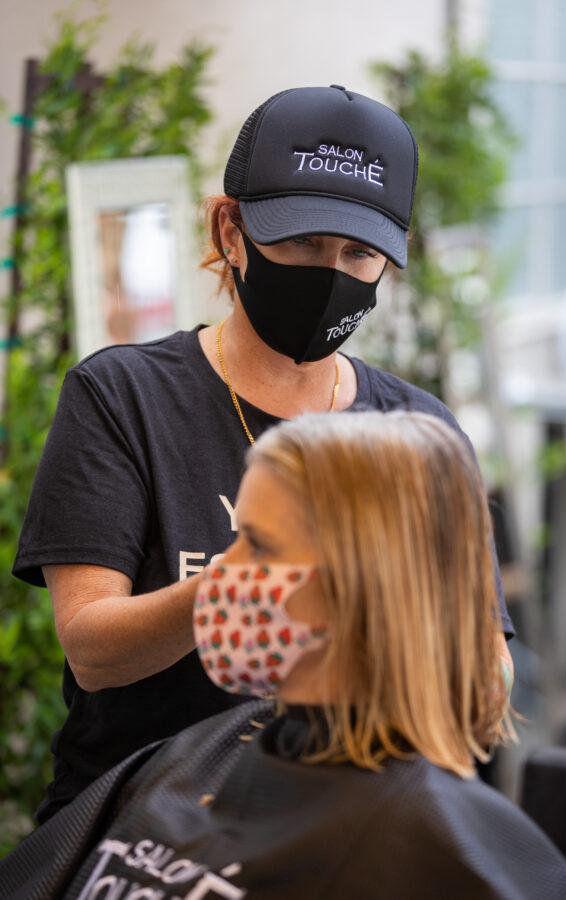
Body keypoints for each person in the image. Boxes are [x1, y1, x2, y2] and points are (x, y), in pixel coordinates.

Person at [13, 84, 514, 825]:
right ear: (231, 230)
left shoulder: (416, 430)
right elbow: (93, 649)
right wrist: (244, 581)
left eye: (359, 253)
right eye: (304, 243)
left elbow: (488, 681)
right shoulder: (123, 396)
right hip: (144, 821)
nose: (331, 273)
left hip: (335, 826)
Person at [0, 412, 566, 900]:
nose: (220, 574)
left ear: (363, 584)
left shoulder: (434, 844)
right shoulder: (196, 757)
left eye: (258, 545)